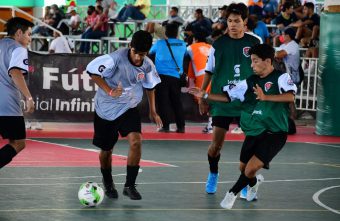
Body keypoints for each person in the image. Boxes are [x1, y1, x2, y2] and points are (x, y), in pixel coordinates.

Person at [189, 43, 297, 209]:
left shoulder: (281, 77)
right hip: (255, 131)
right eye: (251, 61)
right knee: (244, 168)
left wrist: (266, 97)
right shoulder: (250, 81)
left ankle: (231, 195)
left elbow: (290, 97)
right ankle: (253, 184)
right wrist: (205, 95)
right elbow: (227, 96)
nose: (252, 65)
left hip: (275, 133)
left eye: (255, 61)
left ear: (268, 61)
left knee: (250, 169)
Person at [86, 30, 162, 200]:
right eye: (135, 53)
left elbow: (150, 86)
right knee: (106, 151)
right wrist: (110, 91)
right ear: (130, 47)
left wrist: (153, 111)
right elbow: (92, 72)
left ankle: (130, 185)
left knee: (136, 141)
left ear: (147, 52)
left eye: (142, 54)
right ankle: (108, 182)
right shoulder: (114, 59)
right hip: (106, 110)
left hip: (128, 107)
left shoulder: (147, 64)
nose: (138, 58)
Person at [198, 3, 260, 197]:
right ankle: (213, 173)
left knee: (250, 146)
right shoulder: (219, 44)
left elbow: (263, 69)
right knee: (216, 145)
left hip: (247, 101)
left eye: (237, 21)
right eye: (230, 21)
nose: (232, 25)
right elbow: (209, 71)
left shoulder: (255, 42)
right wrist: (202, 95)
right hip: (222, 100)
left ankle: (246, 182)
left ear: (245, 22)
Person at [0, 17, 35, 169]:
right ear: (19, 33)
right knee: (18, 143)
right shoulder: (18, 49)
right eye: (28, 34)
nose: (30, 38)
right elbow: (15, 72)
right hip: (7, 106)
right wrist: (28, 97)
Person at [149, 23, 187, 133]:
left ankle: (165, 126)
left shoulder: (159, 43)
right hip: (176, 77)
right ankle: (181, 127)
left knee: (163, 102)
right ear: (177, 33)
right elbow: (185, 56)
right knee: (176, 102)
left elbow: (151, 53)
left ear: (165, 32)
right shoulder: (182, 44)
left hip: (161, 76)